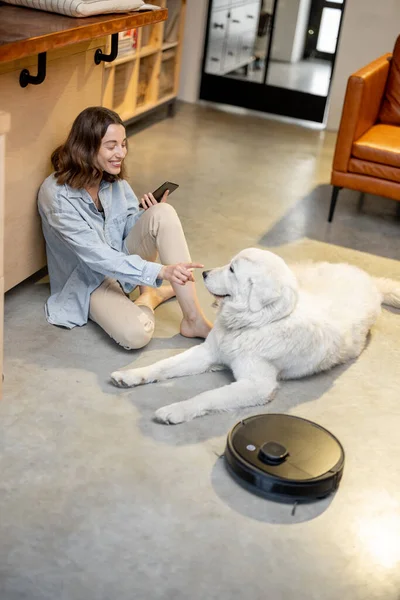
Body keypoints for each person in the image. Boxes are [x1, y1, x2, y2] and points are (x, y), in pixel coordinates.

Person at [38, 106, 212, 349]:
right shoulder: (56, 196)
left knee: (163, 213)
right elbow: (98, 257)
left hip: (122, 263)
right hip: (87, 280)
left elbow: (125, 228)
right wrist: (160, 272)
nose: (121, 153)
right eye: (111, 146)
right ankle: (150, 296)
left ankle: (194, 319)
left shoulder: (110, 178)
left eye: (123, 144)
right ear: (87, 147)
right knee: (135, 334)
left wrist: (145, 214)